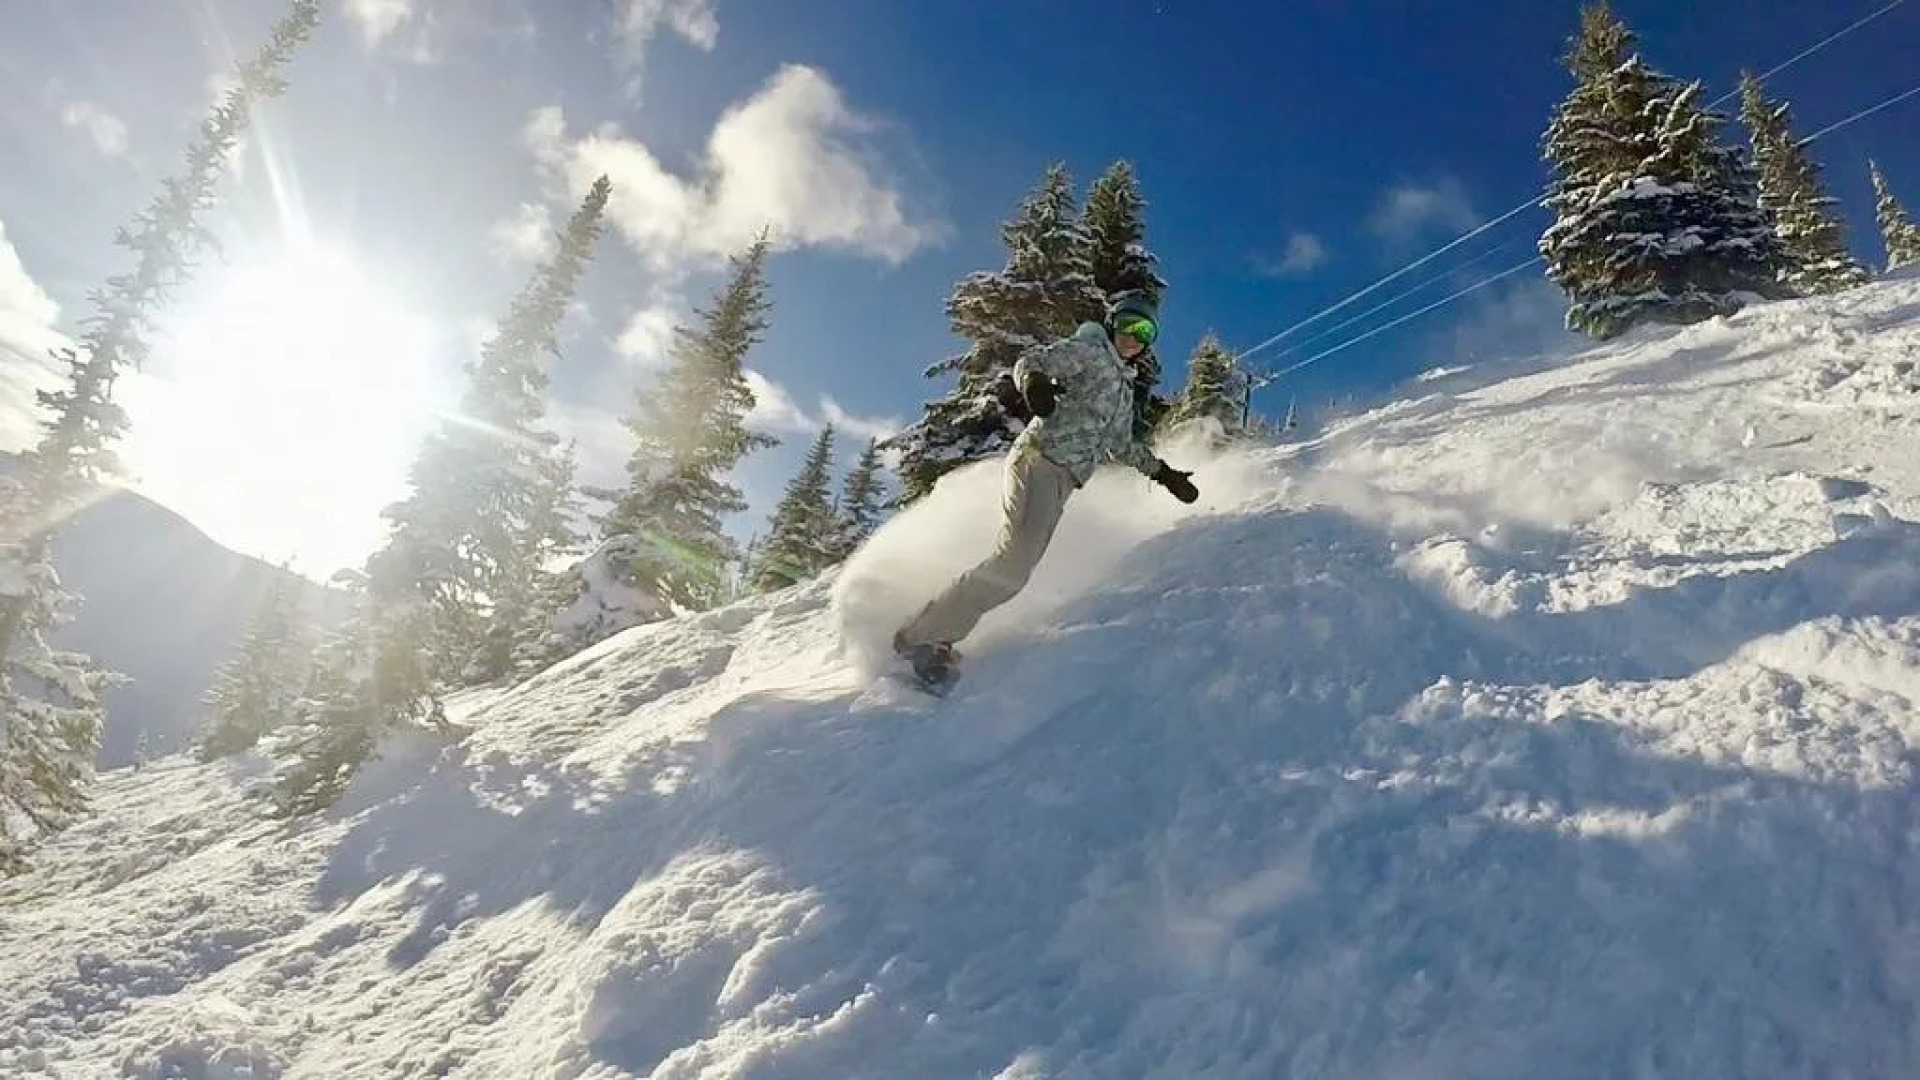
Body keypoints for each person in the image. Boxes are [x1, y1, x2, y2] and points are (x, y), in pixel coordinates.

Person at [892, 290, 1200, 688]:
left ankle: (927, 630)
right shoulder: (1091, 353)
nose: (1133, 337)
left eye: (1144, 331)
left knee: (1010, 564)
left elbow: (1122, 445)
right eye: (1127, 326)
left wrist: (1164, 473)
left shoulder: (1124, 391)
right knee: (1014, 566)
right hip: (1040, 459)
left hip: (1059, 480)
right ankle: (923, 639)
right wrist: (1034, 383)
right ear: (1112, 324)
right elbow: (1030, 362)